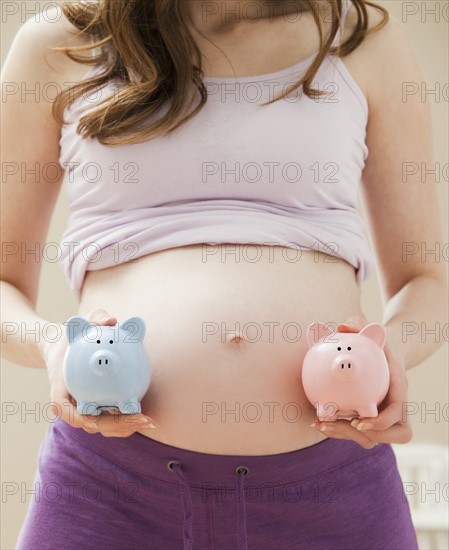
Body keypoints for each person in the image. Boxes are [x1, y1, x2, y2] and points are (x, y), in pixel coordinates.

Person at [1, 0, 447, 548]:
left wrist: (394, 350)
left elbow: (425, 280)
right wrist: (51, 345)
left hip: (333, 491)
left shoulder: (362, 39)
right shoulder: (60, 42)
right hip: (107, 491)